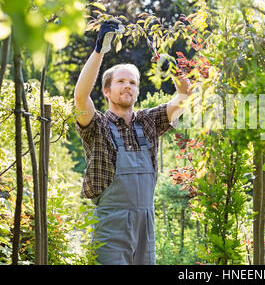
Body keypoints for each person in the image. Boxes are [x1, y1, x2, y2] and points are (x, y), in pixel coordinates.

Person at [74, 19, 191, 265]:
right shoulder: (97, 127)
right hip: (110, 228)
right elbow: (80, 96)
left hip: (144, 228)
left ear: (137, 91)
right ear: (106, 91)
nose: (128, 86)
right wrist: (99, 51)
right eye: (120, 81)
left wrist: (171, 67)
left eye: (133, 83)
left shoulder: (148, 122)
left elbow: (184, 96)